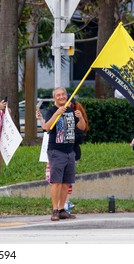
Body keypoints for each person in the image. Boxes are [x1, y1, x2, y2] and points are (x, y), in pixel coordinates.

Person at [44, 87, 86, 221]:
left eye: (63, 94)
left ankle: (62, 209)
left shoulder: (71, 110)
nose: (61, 97)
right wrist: (57, 114)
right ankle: (55, 210)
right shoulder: (51, 110)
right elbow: (46, 127)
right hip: (56, 150)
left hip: (70, 151)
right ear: (54, 98)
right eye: (58, 95)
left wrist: (80, 118)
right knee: (56, 181)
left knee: (66, 182)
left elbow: (82, 128)